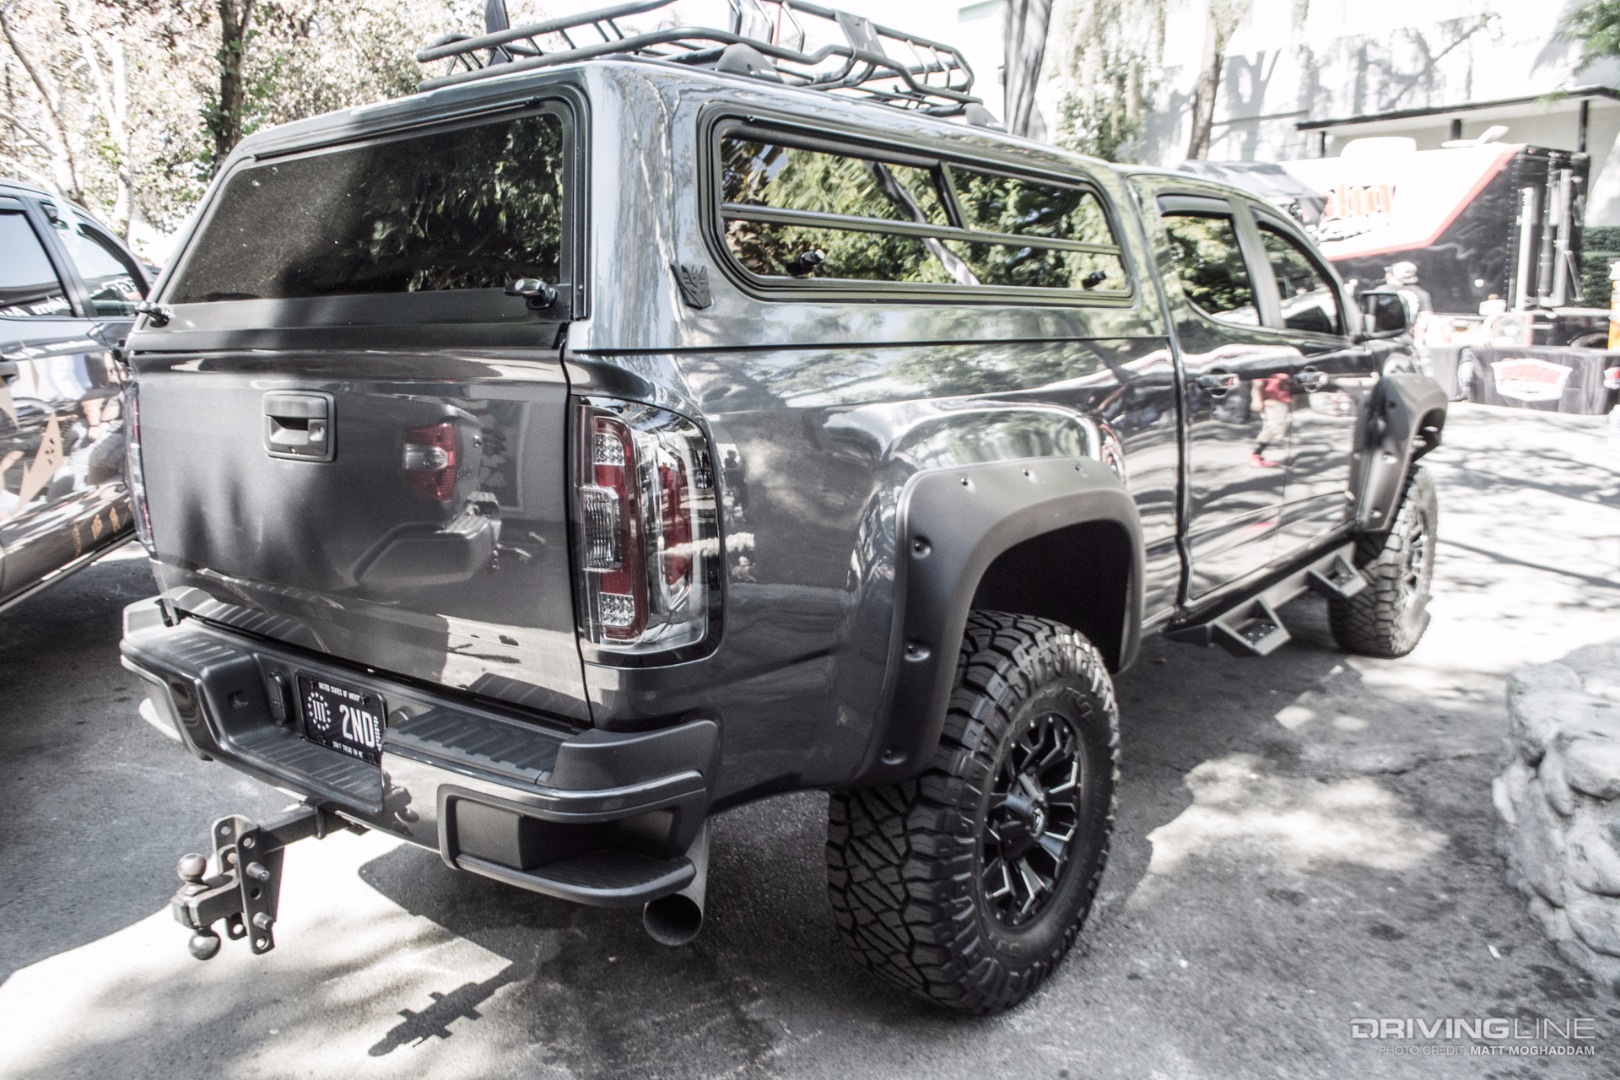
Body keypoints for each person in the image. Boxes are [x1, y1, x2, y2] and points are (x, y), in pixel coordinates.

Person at [1250, 373, 1291, 468]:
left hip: (1282, 400)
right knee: (1273, 429)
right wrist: (1256, 400)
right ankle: (1255, 455)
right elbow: (1257, 384)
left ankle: (1257, 456)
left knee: (1271, 428)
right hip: (1272, 401)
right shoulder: (1268, 366)